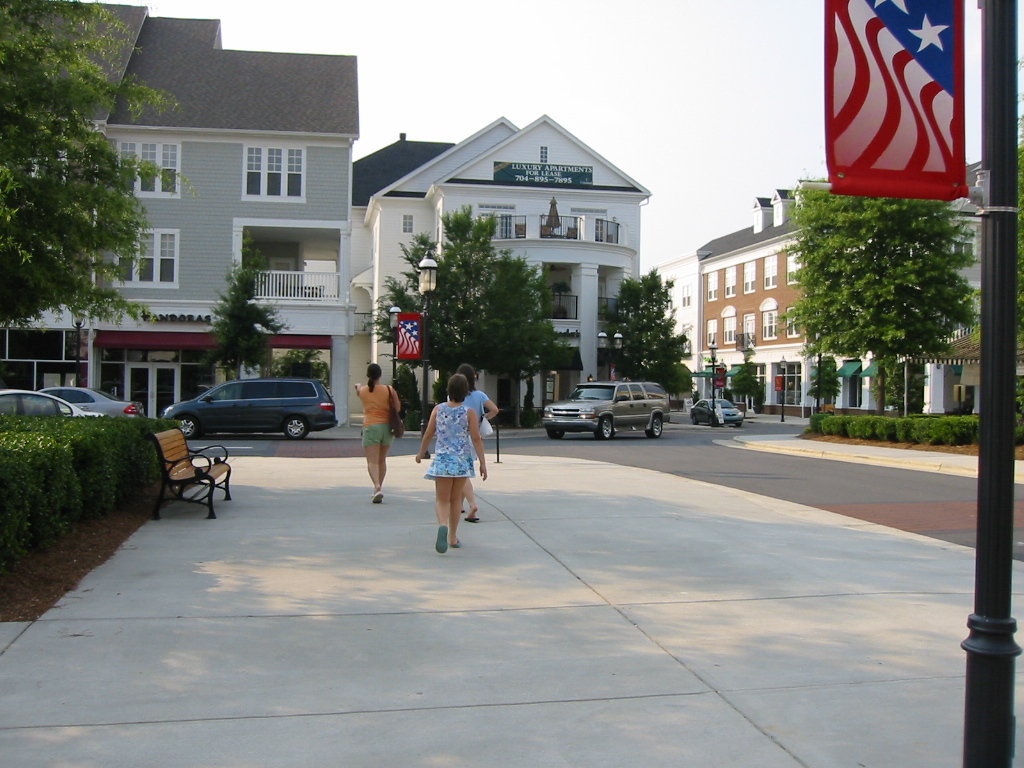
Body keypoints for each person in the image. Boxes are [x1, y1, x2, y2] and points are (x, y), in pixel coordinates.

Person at [415, 373, 487, 553]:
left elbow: (429, 433)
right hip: (462, 461)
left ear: (448, 390)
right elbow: (476, 438)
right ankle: (453, 537)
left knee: (442, 499)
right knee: (456, 500)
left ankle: (442, 524)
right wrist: (483, 463)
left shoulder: (438, 410)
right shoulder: (469, 412)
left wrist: (421, 452)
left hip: (443, 460)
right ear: (465, 392)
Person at [456, 363, 498, 523]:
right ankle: (459, 504)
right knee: (465, 470)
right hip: (475, 436)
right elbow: (494, 409)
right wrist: (483, 419)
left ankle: (471, 504)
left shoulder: (454, 397)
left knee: (462, 472)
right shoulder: (480, 395)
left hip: (460, 436)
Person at [355, 363, 401, 504]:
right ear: (380, 375)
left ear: (368, 375)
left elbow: (359, 391)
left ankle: (376, 486)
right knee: (382, 460)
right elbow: (398, 408)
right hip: (387, 427)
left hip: (371, 426)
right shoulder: (389, 389)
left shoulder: (363, 391)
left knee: (372, 461)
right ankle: (379, 487)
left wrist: (357, 386)